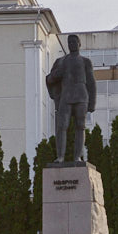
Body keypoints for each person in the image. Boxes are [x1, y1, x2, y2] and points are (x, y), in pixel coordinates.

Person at [45, 34, 96, 162]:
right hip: (66, 97)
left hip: (81, 96)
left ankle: (77, 157)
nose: (71, 44)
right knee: (62, 126)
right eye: (69, 42)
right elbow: (50, 79)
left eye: (74, 42)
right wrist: (57, 74)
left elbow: (91, 82)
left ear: (79, 44)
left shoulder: (85, 61)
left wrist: (92, 103)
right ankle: (60, 156)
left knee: (80, 126)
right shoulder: (60, 61)